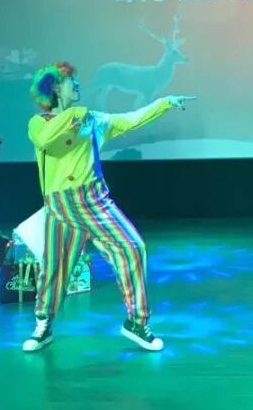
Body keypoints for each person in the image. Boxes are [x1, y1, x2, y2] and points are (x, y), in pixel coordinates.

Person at [23, 61, 195, 353]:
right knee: (55, 267)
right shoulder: (39, 122)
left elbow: (131, 119)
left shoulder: (92, 120)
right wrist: (75, 115)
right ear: (55, 88)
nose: (78, 85)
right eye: (71, 81)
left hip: (93, 201)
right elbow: (45, 140)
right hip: (60, 206)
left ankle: (136, 322)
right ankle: (44, 323)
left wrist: (164, 103)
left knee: (132, 247)